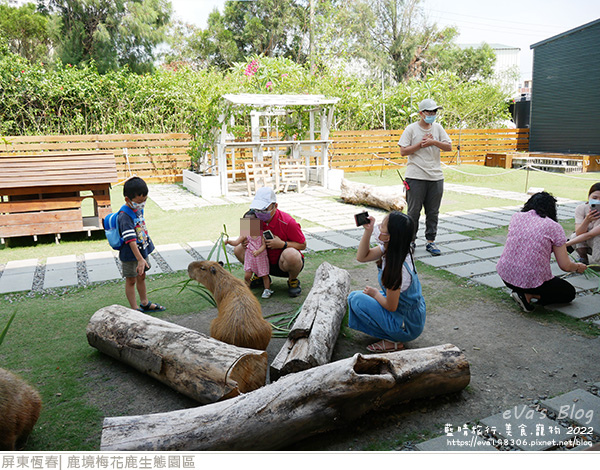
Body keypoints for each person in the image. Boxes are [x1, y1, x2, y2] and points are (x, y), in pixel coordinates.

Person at [347, 211, 426, 352]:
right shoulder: (395, 249)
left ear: (389, 237)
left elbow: (391, 306)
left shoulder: (397, 269)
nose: (378, 226)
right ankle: (392, 333)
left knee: (357, 300)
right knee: (354, 296)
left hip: (407, 325)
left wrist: (376, 293)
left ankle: (394, 339)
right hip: (407, 313)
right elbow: (362, 257)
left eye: (382, 226)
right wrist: (368, 231)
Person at [497, 192, 587, 312]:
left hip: (506, 276)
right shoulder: (553, 226)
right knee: (569, 292)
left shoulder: (516, 217)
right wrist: (577, 267)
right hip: (532, 281)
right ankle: (528, 295)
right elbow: (565, 266)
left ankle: (520, 291)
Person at [398, 98, 452, 256]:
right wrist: (420, 145)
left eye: (435, 111)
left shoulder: (438, 128)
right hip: (415, 176)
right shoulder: (411, 129)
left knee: (433, 212)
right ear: (421, 113)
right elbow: (403, 151)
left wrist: (434, 142)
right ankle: (410, 241)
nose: (432, 114)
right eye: (429, 112)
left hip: (436, 176)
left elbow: (448, 146)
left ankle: (431, 241)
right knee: (413, 212)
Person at [233, 187, 306, 297]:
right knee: (238, 248)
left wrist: (283, 244)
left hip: (282, 264)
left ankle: (293, 280)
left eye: (264, 209)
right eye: (258, 210)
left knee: (292, 254)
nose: (260, 213)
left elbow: (303, 245)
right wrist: (244, 242)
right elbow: (243, 237)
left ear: (275, 206)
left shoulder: (288, 221)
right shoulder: (252, 217)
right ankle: (259, 275)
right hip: (262, 261)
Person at [118, 177, 165, 312]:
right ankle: (134, 309)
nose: (142, 204)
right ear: (127, 199)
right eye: (139, 201)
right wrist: (139, 259)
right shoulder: (124, 216)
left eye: (145, 200)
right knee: (131, 280)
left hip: (142, 251)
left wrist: (143, 256)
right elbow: (130, 239)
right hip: (131, 254)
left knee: (142, 276)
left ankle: (144, 302)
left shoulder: (137, 209)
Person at [226, 210, 273, 299]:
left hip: (260, 258)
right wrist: (228, 241)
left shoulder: (261, 234)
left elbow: (264, 245)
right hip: (250, 258)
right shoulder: (245, 234)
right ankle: (247, 289)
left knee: (264, 275)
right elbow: (236, 242)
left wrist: (258, 251)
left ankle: (267, 289)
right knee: (247, 275)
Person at [568, 182, 600, 265]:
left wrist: (566, 244)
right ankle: (583, 258)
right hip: (588, 242)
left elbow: (590, 234)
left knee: (598, 238)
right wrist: (587, 220)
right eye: (595, 197)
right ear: (589, 197)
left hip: (597, 242)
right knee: (574, 236)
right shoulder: (581, 208)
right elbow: (579, 232)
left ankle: (597, 262)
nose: (597, 201)